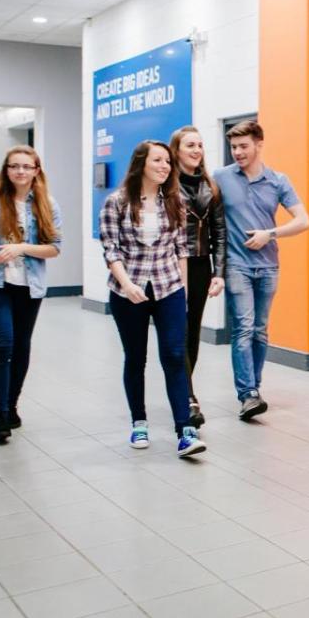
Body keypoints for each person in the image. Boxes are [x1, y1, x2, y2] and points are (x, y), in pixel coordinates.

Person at [100, 140, 205, 458]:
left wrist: (183, 294)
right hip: (127, 291)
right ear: (141, 163)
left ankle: (185, 430)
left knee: (174, 356)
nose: (165, 166)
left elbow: (181, 251)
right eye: (158, 160)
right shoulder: (116, 202)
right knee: (135, 358)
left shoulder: (174, 202)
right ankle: (139, 423)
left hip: (168, 287)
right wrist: (127, 283)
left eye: (167, 162)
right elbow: (111, 250)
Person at [0, 146, 62, 443]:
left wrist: (20, 248)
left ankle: (12, 404)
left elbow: (55, 247)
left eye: (26, 167)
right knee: (2, 343)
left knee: (21, 346)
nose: (20, 172)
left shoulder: (47, 204)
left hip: (28, 285)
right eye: (14, 166)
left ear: (36, 170)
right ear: (6, 170)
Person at [212, 120, 309, 421]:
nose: (237, 152)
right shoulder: (221, 177)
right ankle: (248, 394)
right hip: (237, 265)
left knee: (260, 330)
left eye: (243, 146)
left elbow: (303, 220)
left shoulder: (278, 181)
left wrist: (271, 233)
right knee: (243, 327)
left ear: (259, 144)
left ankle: (254, 388)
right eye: (233, 147)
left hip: (268, 265)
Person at [169, 126, 226, 431]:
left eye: (200, 145)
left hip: (201, 265)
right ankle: (188, 398)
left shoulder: (211, 187)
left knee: (192, 332)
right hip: (172, 265)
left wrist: (219, 273)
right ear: (176, 150)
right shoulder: (166, 185)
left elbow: (219, 232)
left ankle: (185, 392)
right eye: (190, 145)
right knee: (176, 333)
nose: (196, 150)